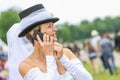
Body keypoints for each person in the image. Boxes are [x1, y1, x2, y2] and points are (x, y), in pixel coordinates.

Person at [8, 4, 92, 80]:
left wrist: (63, 59)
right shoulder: (26, 65)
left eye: (53, 25)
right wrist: (49, 56)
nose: (55, 29)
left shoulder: (66, 52)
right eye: (49, 26)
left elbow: (87, 79)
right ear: (34, 33)